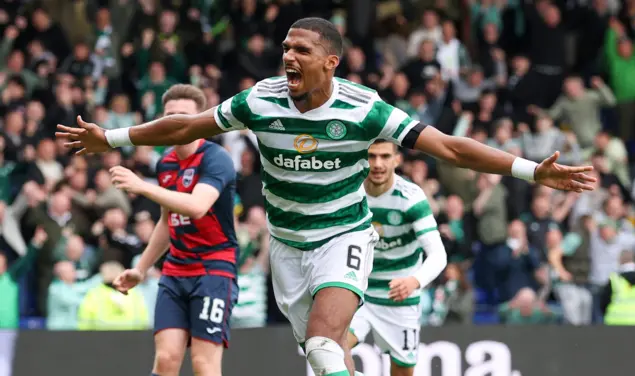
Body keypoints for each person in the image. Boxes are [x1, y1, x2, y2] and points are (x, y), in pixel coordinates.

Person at [57, 18, 595, 376]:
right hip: (287, 248)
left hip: (343, 236)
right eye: (285, 47)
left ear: (330, 62)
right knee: (323, 359)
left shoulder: (365, 109)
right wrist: (112, 137)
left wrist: (529, 170)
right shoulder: (259, 101)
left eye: (301, 50)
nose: (287, 56)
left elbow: (450, 148)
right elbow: (185, 128)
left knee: (322, 344)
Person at [108, 84, 239, 376]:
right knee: (166, 360)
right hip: (175, 271)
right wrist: (141, 269)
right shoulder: (166, 161)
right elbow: (168, 220)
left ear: (200, 120)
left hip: (214, 271)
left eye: (184, 115)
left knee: (204, 365)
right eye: (170, 115)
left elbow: (196, 206)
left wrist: (142, 186)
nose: (176, 122)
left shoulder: (216, 159)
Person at [348, 140, 447, 375]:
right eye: (371, 156)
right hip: (357, 291)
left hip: (399, 295)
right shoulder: (350, 193)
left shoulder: (411, 198)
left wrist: (415, 281)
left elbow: (438, 255)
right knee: (332, 351)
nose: (378, 164)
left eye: (384, 156)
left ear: (397, 160)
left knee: (403, 371)